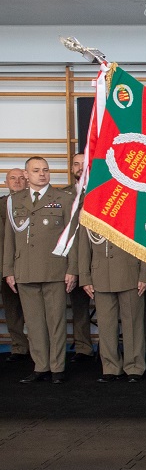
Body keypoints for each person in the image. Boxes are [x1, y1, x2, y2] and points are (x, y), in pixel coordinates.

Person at [3, 157, 75, 383]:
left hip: (55, 270)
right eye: (36, 170)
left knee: (56, 322)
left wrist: (73, 269)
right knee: (33, 323)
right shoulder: (15, 201)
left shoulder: (63, 199)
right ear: (26, 174)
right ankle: (41, 366)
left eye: (45, 170)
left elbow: (72, 238)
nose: (42, 174)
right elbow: (9, 240)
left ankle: (57, 368)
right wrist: (8, 270)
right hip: (25, 270)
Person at [76, 226, 146, 382]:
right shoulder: (91, 213)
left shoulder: (133, 211)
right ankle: (111, 366)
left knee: (133, 324)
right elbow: (84, 247)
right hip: (100, 276)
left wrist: (144, 274)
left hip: (130, 274)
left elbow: (145, 241)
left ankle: (134, 366)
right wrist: (85, 277)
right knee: (106, 325)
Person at [64, 153, 95, 363]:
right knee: (79, 307)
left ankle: (112, 351)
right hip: (72, 257)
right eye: (76, 164)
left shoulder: (101, 190)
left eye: (84, 164)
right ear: (71, 168)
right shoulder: (62, 195)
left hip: (100, 257)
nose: (80, 168)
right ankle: (83, 348)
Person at [1, 167, 30, 361]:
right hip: (6, 264)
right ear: (6, 182)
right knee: (12, 309)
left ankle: (39, 349)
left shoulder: (35, 203)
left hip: (29, 263)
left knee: (35, 310)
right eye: (13, 178)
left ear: (27, 181)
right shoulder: (2, 204)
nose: (17, 181)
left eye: (21, 178)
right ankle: (19, 347)